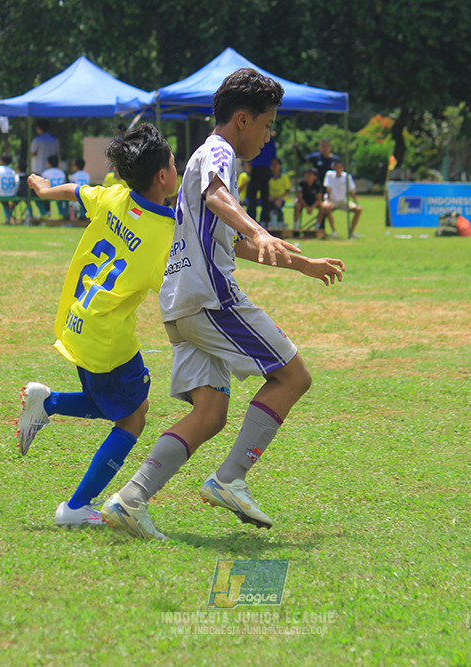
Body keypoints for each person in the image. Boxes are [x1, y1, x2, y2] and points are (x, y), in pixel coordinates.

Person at [99, 68, 345, 541]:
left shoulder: (203, 159)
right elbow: (218, 199)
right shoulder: (219, 152)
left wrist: (302, 264)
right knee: (293, 376)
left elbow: (231, 240)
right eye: (267, 125)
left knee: (209, 413)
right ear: (242, 119)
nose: (269, 136)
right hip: (209, 298)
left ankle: (129, 499)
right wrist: (259, 228)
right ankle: (230, 477)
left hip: (181, 304)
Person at [14, 123, 177, 527]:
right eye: (175, 163)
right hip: (109, 340)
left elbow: (76, 191)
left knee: (114, 403)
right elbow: (179, 293)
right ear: (162, 176)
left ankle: (48, 403)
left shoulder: (114, 196)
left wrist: (44, 189)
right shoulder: (165, 234)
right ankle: (75, 507)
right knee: (132, 417)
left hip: (77, 322)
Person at [321, 159, 362, 239]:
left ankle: (351, 232)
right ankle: (334, 231)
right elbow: (328, 188)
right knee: (327, 208)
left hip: (343, 201)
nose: (338, 169)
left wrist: (356, 203)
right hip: (332, 200)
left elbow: (351, 191)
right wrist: (328, 201)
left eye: (340, 167)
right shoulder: (329, 175)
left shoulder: (347, 177)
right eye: (336, 167)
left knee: (358, 210)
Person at [247, 137, 276, 223]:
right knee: (265, 195)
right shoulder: (270, 142)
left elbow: (249, 157)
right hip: (266, 169)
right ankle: (265, 219)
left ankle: (252, 217)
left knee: (252, 195)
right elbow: (273, 159)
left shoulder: (256, 139)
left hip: (256, 169)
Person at [293, 167, 323, 234]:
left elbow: (319, 199)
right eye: (307, 175)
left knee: (322, 207)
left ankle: (317, 227)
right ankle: (295, 226)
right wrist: (307, 207)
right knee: (297, 206)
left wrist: (312, 207)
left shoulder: (317, 185)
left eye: (310, 175)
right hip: (303, 202)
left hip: (313, 202)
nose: (308, 177)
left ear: (314, 177)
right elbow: (300, 197)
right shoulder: (301, 184)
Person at [38, 155, 68, 220]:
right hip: (61, 194)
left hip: (49, 194)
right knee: (60, 195)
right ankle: (61, 213)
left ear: (49, 164)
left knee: (40, 194)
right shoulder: (62, 172)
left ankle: (45, 213)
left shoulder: (45, 173)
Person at [266, 157, 291, 229]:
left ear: (280, 166)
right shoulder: (268, 177)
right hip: (271, 198)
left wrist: (280, 197)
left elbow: (287, 190)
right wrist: (269, 196)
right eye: (272, 165)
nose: (274, 167)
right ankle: (266, 222)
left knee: (277, 204)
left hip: (281, 198)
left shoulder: (284, 177)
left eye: (276, 164)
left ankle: (279, 222)